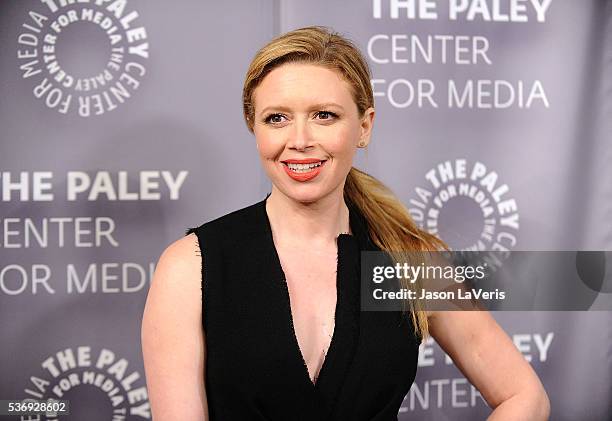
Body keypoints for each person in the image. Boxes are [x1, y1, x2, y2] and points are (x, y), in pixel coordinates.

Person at [141, 26, 550, 420]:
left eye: (324, 115)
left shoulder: (410, 260)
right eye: (277, 118)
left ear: (364, 126)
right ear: (254, 127)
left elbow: (524, 396)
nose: (299, 139)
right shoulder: (191, 266)